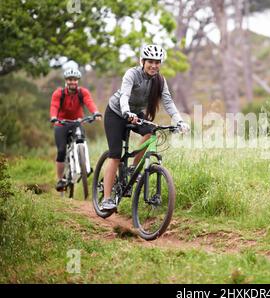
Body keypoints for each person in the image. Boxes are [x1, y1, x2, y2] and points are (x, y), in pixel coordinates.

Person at [101, 44, 190, 211]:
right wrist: (126, 112)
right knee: (115, 155)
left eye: (157, 62)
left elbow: (168, 102)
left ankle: (133, 168)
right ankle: (106, 199)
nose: (154, 65)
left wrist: (179, 121)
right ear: (142, 61)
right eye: (150, 61)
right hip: (116, 113)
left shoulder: (160, 80)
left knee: (151, 132)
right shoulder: (132, 74)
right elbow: (125, 95)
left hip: (135, 113)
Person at [49, 67, 102, 192]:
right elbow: (54, 105)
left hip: (77, 122)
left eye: (75, 80)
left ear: (78, 80)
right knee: (61, 151)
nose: (72, 82)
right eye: (69, 79)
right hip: (61, 123)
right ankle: (60, 179)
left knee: (81, 140)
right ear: (66, 81)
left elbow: (89, 102)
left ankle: (85, 166)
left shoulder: (82, 92)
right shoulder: (59, 93)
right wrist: (53, 117)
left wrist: (96, 112)